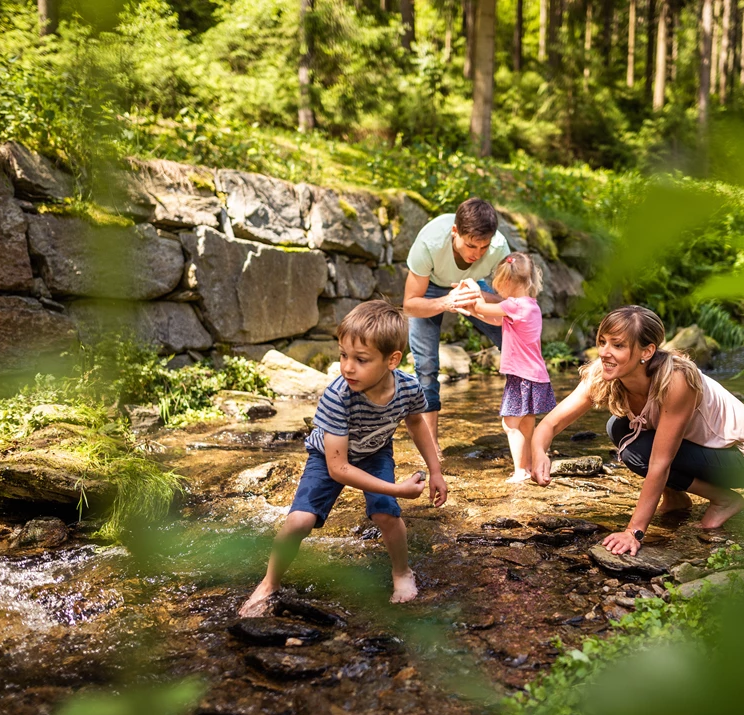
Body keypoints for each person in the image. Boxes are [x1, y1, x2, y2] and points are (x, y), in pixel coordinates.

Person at [238, 301, 448, 616]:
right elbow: (338, 469)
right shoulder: (338, 396)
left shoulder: (407, 387)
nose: (347, 367)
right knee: (299, 521)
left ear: (392, 360)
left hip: (375, 451)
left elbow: (416, 421)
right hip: (328, 458)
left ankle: (402, 572)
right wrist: (399, 490)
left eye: (361, 359)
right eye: (343, 355)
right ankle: (269, 583)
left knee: (386, 515)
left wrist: (435, 471)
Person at [529, 305, 744, 554]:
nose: (604, 352)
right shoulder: (604, 374)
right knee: (619, 426)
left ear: (647, 351)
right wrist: (539, 451)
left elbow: (659, 463)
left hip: (743, 459)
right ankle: (676, 499)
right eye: (602, 342)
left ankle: (724, 499)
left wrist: (634, 531)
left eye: (618, 345)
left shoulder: (676, 380)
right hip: (708, 451)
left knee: (637, 451)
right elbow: (551, 423)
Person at [402, 198, 511, 450]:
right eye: (472, 245)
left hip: (473, 285)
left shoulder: (499, 247)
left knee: (513, 340)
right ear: (455, 232)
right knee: (427, 367)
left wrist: (478, 296)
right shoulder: (429, 242)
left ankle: (525, 429)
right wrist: (447, 302)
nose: (477, 254)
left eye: (484, 247)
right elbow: (409, 304)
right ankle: (431, 449)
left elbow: (512, 300)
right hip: (428, 288)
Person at [465, 253, 557, 482]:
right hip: (534, 375)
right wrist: (471, 310)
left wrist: (471, 288)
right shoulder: (529, 305)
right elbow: (494, 319)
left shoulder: (513, 305)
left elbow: (483, 307)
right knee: (526, 424)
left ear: (506, 283)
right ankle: (525, 467)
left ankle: (519, 471)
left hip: (521, 375)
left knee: (509, 424)